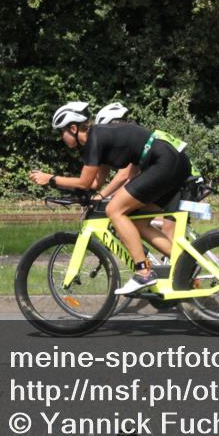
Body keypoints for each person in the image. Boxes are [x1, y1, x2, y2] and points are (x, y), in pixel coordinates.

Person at [28, 101, 192, 295]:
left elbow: (83, 182)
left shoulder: (94, 139)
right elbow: (95, 183)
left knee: (114, 210)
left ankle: (144, 272)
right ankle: (187, 263)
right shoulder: (100, 138)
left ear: (73, 128)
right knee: (139, 224)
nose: (60, 137)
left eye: (61, 132)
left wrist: (51, 179)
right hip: (170, 161)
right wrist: (92, 197)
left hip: (163, 162)